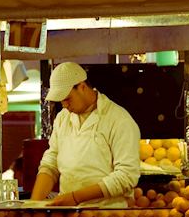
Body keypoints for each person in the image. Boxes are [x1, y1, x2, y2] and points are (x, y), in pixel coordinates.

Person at [30, 62, 141, 208]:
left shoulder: (119, 120)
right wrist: (33, 205)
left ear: (82, 87)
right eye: (61, 101)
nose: (64, 105)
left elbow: (127, 175)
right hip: (68, 214)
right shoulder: (63, 118)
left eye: (67, 98)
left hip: (108, 216)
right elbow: (51, 163)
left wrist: (76, 197)